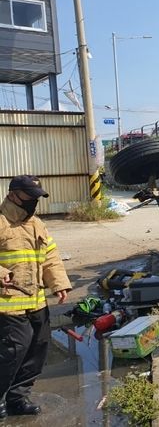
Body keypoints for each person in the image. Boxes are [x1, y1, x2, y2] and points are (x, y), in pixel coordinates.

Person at [0, 175, 72, 419]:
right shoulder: (0, 221)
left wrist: (59, 284)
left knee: (38, 348)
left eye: (36, 197)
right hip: (7, 302)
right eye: (29, 196)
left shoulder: (37, 224)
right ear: (13, 195)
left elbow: (50, 256)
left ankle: (17, 398)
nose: (33, 201)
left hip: (36, 300)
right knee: (14, 350)